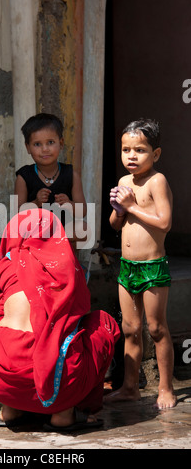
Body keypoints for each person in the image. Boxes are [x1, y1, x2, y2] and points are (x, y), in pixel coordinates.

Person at [0, 208, 120, 431]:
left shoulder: (6, 264)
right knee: (102, 323)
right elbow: (77, 318)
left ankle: (10, 409)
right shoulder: (67, 268)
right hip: (53, 383)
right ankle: (63, 412)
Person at [106, 118, 176, 409]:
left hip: (152, 267)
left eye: (140, 150)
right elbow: (115, 226)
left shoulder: (156, 181)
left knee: (157, 328)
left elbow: (164, 222)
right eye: (126, 150)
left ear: (155, 154)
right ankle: (130, 387)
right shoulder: (124, 182)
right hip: (127, 267)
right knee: (130, 329)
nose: (131, 156)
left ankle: (165, 388)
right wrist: (119, 210)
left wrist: (132, 206)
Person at [14, 113, 88, 246]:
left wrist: (69, 204)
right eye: (37, 144)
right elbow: (17, 214)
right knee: (21, 231)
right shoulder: (24, 176)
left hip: (63, 230)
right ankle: (45, 246)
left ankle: (66, 259)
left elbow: (82, 211)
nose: (45, 149)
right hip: (36, 230)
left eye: (50, 142)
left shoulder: (71, 174)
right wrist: (36, 203)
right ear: (28, 147)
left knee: (83, 228)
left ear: (61, 143)